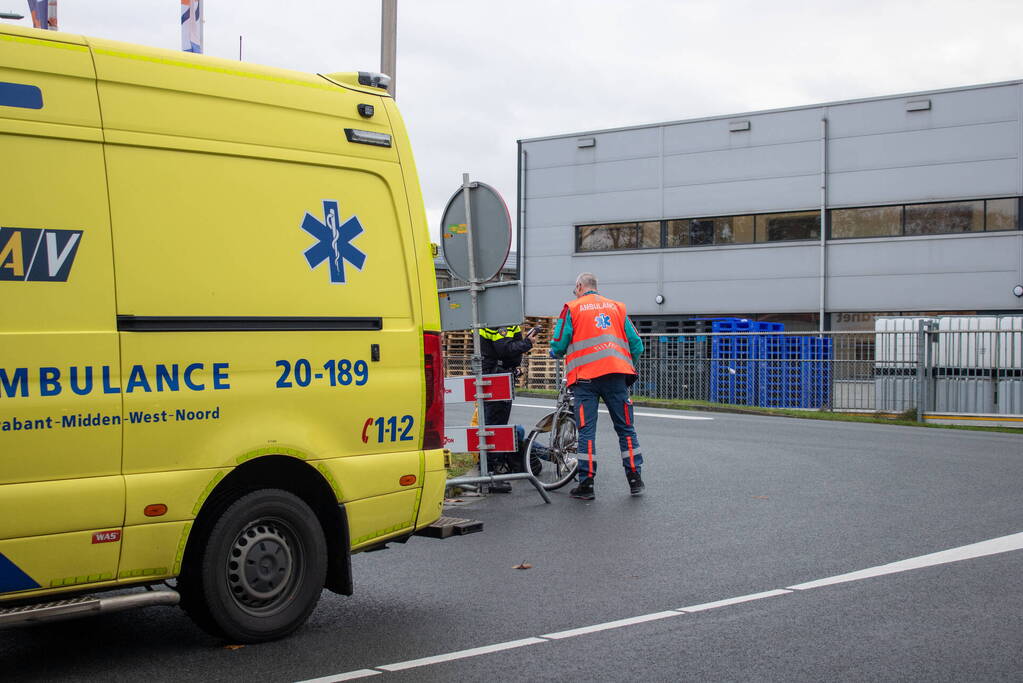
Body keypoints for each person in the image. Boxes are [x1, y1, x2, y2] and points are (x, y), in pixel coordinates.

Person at [549, 272, 646, 499]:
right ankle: (635, 479)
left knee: (587, 432)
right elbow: (637, 344)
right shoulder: (617, 308)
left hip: (586, 381)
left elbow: (560, 343)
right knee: (626, 429)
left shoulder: (572, 308)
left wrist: (553, 351)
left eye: (575, 289)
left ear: (580, 286)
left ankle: (587, 484)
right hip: (616, 378)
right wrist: (624, 365)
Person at [478, 323, 538, 492]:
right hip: (498, 377)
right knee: (496, 424)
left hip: (499, 374)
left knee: (497, 424)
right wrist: (527, 343)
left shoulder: (498, 320)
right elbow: (504, 349)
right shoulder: (500, 323)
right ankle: (491, 473)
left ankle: (490, 468)